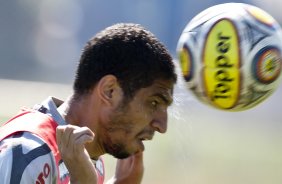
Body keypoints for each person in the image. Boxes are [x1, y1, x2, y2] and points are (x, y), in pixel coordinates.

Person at [0, 23, 177, 184]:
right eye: (153, 103)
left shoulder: (88, 160)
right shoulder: (27, 154)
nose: (162, 126)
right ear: (110, 91)